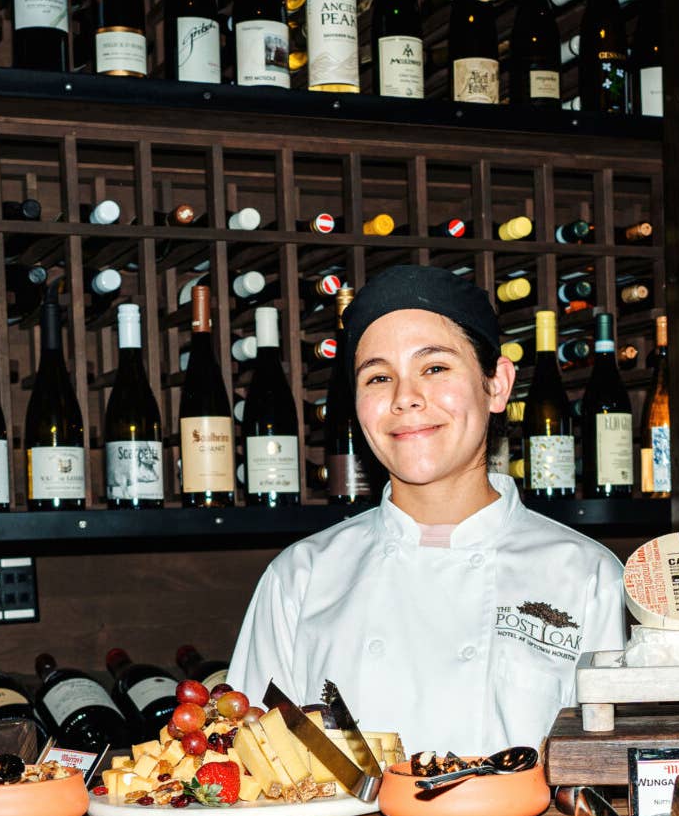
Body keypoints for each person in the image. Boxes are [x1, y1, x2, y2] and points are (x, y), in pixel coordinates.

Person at [227, 265, 625, 754]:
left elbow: (603, 773)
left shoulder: (586, 576)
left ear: (497, 385)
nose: (404, 398)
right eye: (378, 377)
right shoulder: (300, 578)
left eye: (434, 368)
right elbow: (255, 767)